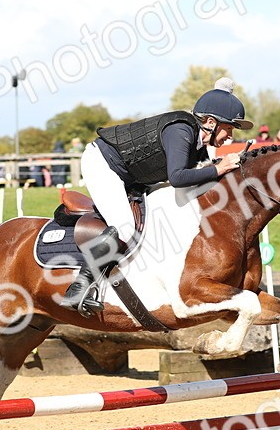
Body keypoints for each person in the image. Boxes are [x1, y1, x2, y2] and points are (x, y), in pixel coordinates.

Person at [62, 77, 250, 312]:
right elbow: (178, 178)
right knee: (126, 228)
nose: (230, 137)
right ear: (211, 123)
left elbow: (201, 179)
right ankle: (78, 289)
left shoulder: (200, 146)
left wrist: (224, 169)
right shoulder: (180, 131)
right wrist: (219, 168)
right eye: (229, 129)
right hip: (103, 164)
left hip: (133, 175)